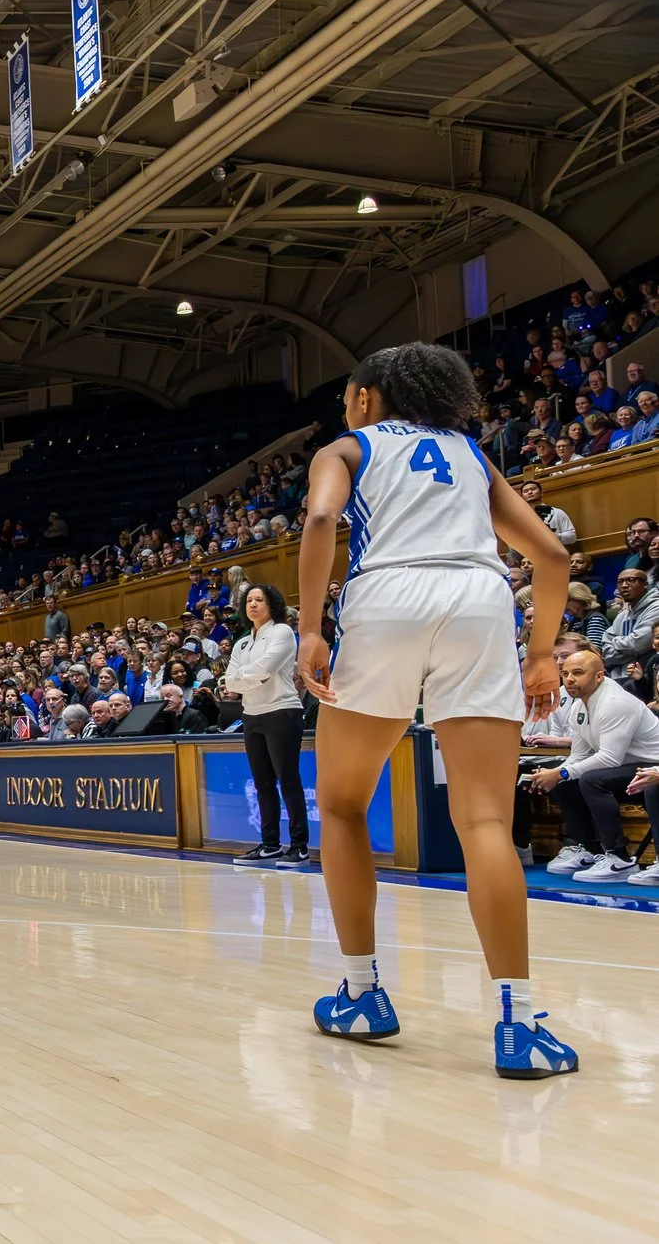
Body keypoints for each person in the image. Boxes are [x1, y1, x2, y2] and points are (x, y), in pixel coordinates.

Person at [295, 343, 576, 1079]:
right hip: (480, 601)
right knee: (487, 820)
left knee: (344, 805)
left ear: (364, 399)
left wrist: (309, 628)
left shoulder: (347, 447)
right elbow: (550, 556)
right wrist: (542, 653)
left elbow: (322, 520)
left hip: (388, 596)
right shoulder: (469, 453)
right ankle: (519, 1023)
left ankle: (362, 994)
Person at [530, 648, 659, 883]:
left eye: (578, 673)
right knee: (565, 782)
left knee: (590, 779)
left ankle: (618, 859)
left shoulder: (615, 702)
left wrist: (562, 772)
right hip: (626, 767)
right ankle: (591, 849)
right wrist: (556, 774)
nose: (569, 679)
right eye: (565, 673)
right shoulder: (579, 707)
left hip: (652, 765)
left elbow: (609, 759)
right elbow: (579, 754)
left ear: (599, 676)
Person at [220, 581, 309, 867]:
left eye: (259, 600)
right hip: (252, 713)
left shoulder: (282, 632)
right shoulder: (242, 641)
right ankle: (270, 844)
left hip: (282, 710)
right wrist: (245, 678)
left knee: (288, 780)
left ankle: (299, 846)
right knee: (262, 783)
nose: (253, 605)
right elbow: (228, 680)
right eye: (249, 601)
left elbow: (265, 670)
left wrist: (242, 679)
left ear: (272, 605)